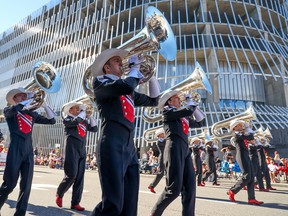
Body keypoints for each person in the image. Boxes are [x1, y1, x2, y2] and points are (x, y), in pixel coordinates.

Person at [90, 48, 160, 216]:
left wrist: (150, 76)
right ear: (106, 67)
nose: (121, 63)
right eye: (116, 61)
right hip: (111, 143)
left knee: (129, 206)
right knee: (113, 204)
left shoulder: (126, 89)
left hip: (129, 147)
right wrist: (134, 70)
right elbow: (126, 84)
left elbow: (153, 100)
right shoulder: (101, 84)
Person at [0, 87, 56, 215]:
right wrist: (28, 100)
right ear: (14, 99)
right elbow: (15, 109)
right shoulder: (10, 110)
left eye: (25, 96)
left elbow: (52, 120)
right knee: (9, 184)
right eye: (20, 96)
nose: (24, 97)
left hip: (28, 150)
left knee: (26, 186)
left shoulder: (32, 114)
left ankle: (20, 213)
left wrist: (45, 103)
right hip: (15, 149)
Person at [150, 90, 205, 216]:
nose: (180, 100)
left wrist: (193, 104)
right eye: (176, 98)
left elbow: (201, 122)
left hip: (185, 150)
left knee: (190, 188)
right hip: (174, 148)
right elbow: (188, 110)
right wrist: (188, 99)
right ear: (169, 101)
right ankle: (154, 213)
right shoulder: (167, 111)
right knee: (173, 189)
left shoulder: (183, 116)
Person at [56, 102, 98, 211]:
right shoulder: (67, 119)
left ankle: (75, 203)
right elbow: (76, 121)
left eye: (80, 109)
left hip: (82, 149)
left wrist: (90, 116)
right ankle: (60, 193)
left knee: (80, 177)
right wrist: (83, 113)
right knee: (72, 174)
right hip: (72, 148)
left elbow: (94, 129)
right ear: (70, 110)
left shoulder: (82, 120)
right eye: (77, 108)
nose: (79, 110)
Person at [227, 120, 264, 205]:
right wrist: (247, 128)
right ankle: (232, 190)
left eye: (241, 125)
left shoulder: (241, 133)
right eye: (239, 125)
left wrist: (247, 129)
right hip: (241, 155)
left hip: (246, 155)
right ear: (234, 127)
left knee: (251, 177)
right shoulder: (235, 133)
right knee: (247, 176)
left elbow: (251, 137)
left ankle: (251, 198)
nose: (241, 126)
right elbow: (249, 136)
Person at [148, 127, 166, 193]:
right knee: (161, 173)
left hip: (167, 157)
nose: (164, 134)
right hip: (163, 158)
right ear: (160, 134)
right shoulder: (160, 141)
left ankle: (170, 188)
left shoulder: (164, 140)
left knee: (168, 173)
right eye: (163, 133)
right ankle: (152, 185)